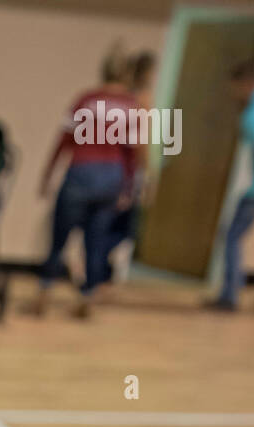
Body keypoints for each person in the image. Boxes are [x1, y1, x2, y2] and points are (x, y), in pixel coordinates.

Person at [30, 48, 141, 319]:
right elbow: (132, 151)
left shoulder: (87, 99)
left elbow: (65, 139)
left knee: (60, 237)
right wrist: (129, 188)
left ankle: (44, 291)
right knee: (96, 240)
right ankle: (87, 296)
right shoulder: (131, 105)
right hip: (112, 175)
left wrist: (48, 174)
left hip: (82, 170)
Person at [205, 59, 254, 313]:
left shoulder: (252, 115)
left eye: (235, 87)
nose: (233, 93)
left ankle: (229, 294)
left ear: (246, 83)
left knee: (231, 237)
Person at [98, 50, 157, 290]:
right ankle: (102, 269)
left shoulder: (121, 97)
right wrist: (148, 174)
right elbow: (140, 142)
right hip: (127, 170)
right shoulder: (140, 99)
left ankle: (99, 267)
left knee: (111, 223)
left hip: (111, 168)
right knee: (125, 226)